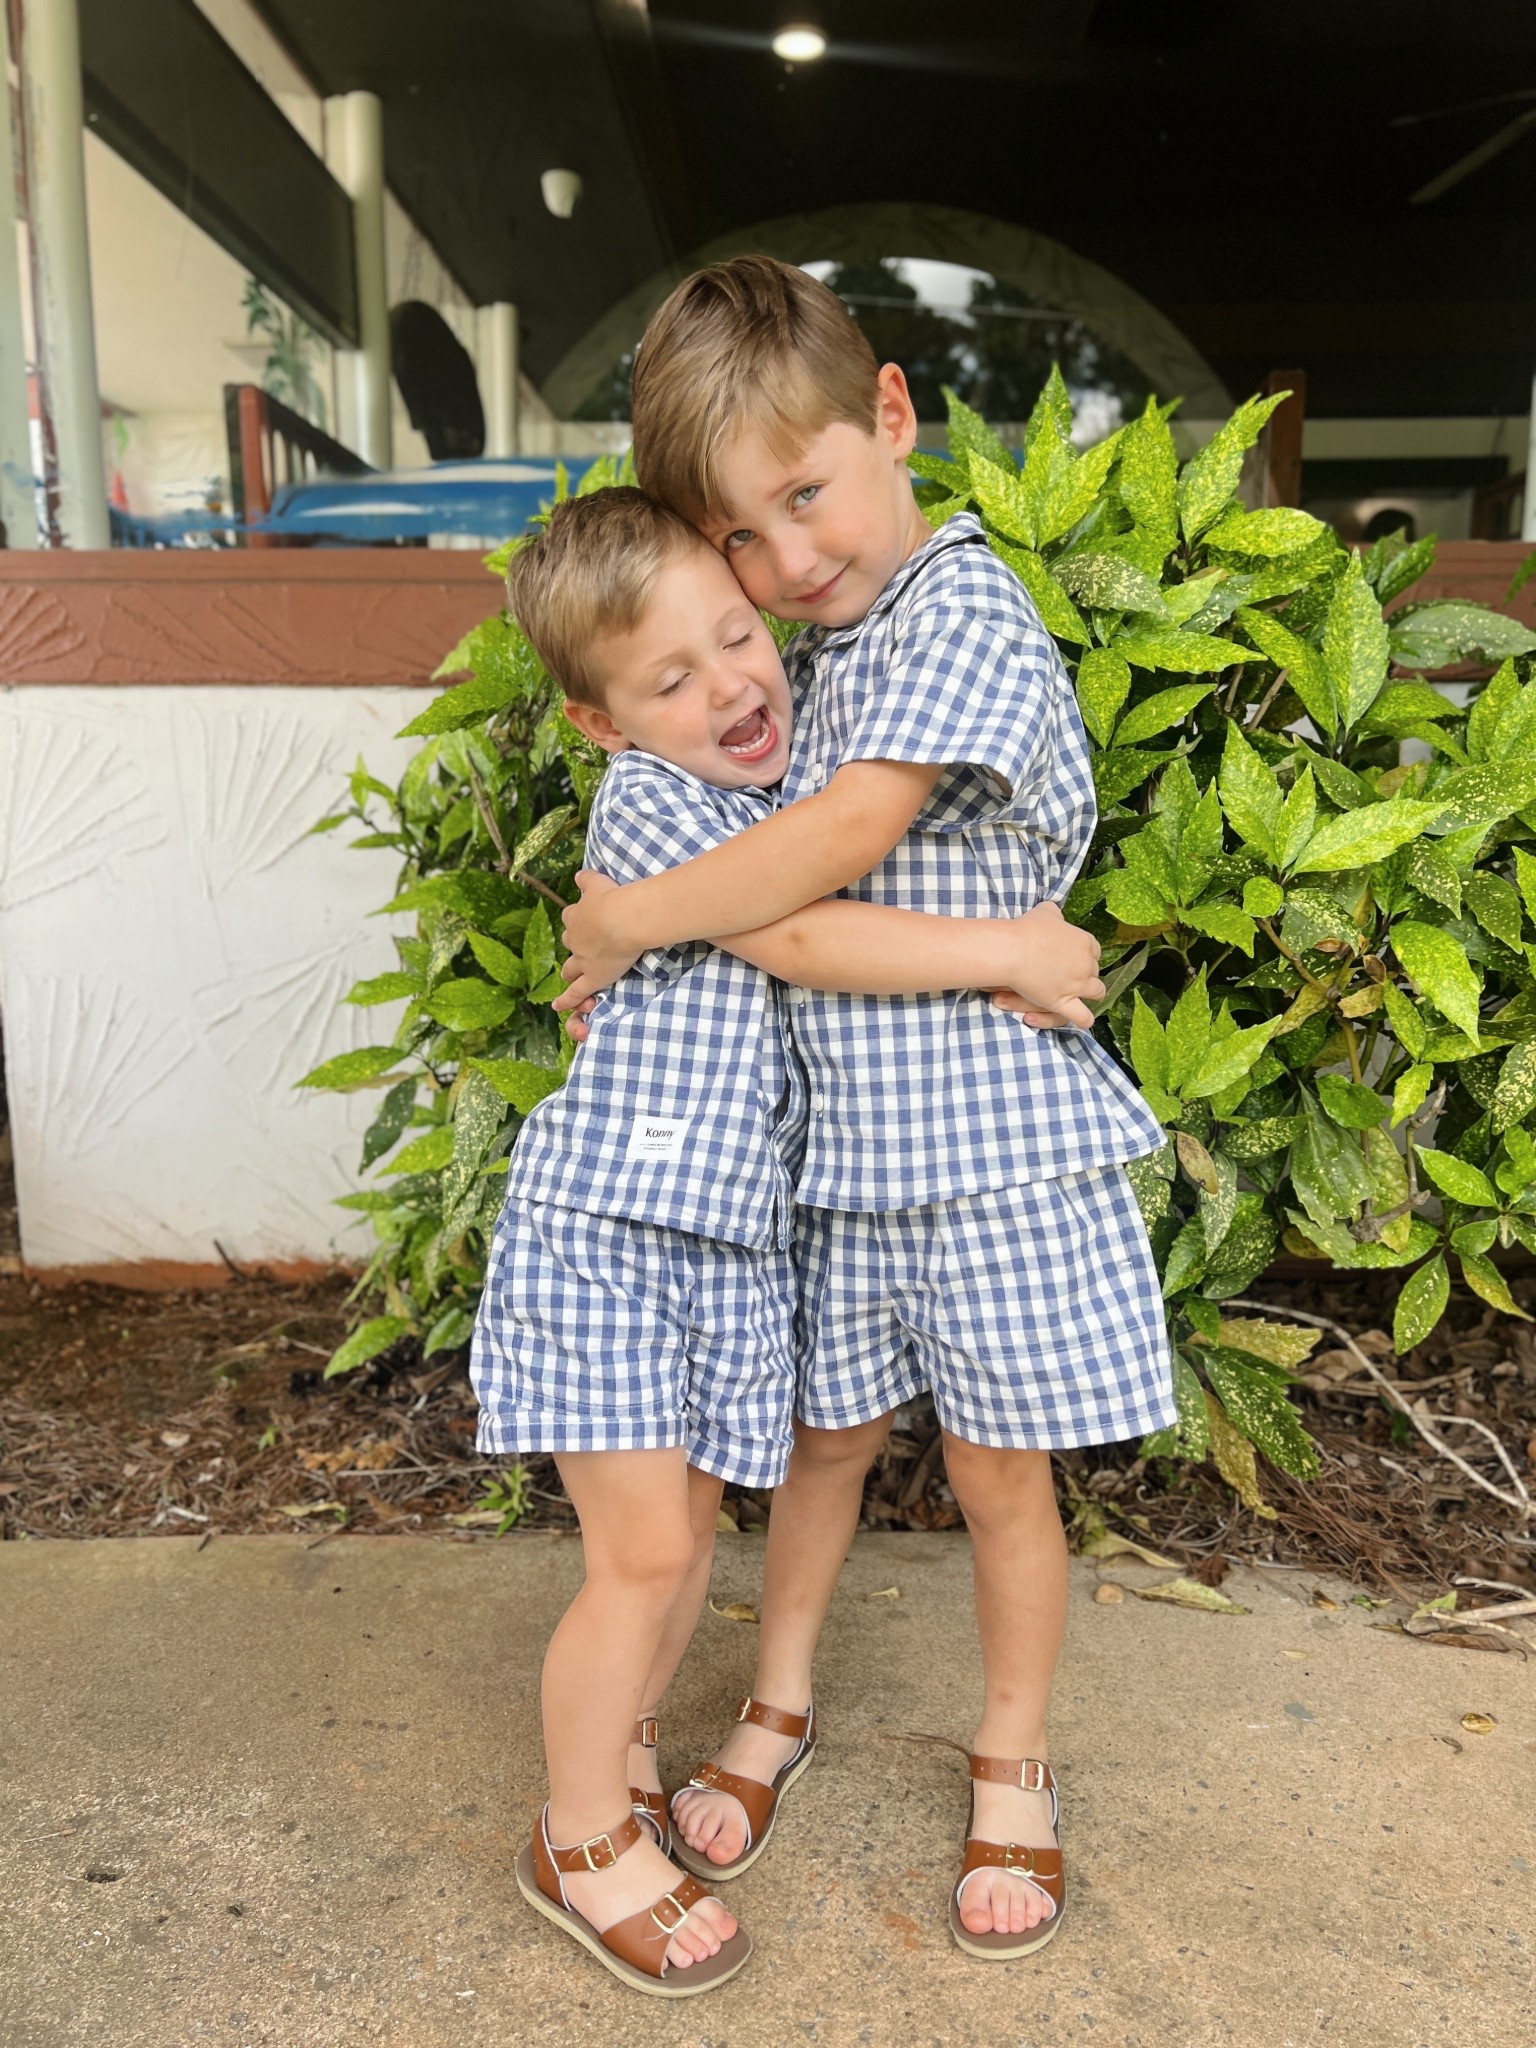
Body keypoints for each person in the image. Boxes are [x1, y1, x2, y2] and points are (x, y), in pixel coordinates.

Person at [556, 257, 1175, 1960]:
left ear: (892, 415)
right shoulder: (817, 646)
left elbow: (813, 870)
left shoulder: (960, 611)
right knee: (819, 1450)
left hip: (988, 1159)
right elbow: (748, 855)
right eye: (746, 537)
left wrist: (622, 914)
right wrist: (653, 885)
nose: (790, 557)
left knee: (997, 1474)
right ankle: (779, 1701)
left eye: (808, 494)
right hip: (841, 1155)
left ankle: (1014, 1759)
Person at [475, 485, 1108, 1995]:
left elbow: (819, 876)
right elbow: (796, 935)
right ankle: (577, 1839)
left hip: (719, 1248)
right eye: (670, 680)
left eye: (738, 637)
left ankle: (617, 1760)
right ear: (600, 724)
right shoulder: (655, 814)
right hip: (620, 1233)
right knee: (639, 1559)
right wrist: (1007, 945)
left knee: (682, 1547)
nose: (732, 685)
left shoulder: (761, 800)